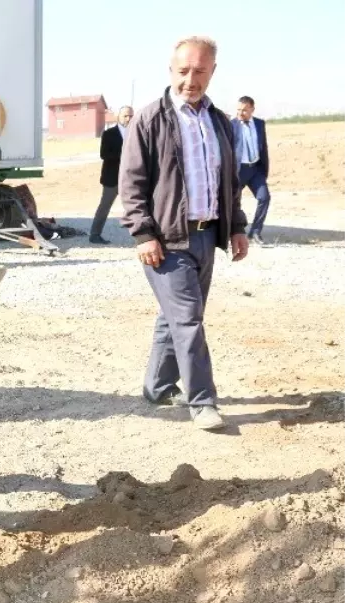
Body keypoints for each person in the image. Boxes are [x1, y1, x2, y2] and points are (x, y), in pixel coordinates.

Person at [120, 36, 248, 432]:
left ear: (212, 71)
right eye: (183, 71)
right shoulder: (149, 118)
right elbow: (132, 182)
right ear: (170, 69)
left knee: (175, 317)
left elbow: (230, 181)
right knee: (188, 320)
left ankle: (158, 387)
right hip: (166, 239)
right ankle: (202, 401)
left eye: (199, 71)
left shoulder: (220, 120)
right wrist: (143, 234)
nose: (190, 79)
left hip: (208, 236)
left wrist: (238, 227)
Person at [89, 105, 133, 244]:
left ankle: (147, 238)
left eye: (131, 116)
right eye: (125, 116)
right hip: (112, 178)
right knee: (104, 206)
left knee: (139, 206)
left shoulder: (137, 132)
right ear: (118, 117)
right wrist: (124, 155)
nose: (128, 118)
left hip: (132, 178)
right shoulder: (109, 134)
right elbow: (104, 154)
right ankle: (95, 234)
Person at [232, 95, 271, 246]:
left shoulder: (260, 124)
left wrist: (263, 170)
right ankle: (235, 232)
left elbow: (263, 147)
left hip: (255, 170)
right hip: (238, 171)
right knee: (233, 202)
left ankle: (255, 231)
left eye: (244, 110)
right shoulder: (231, 125)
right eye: (238, 110)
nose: (240, 113)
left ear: (252, 110)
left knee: (264, 198)